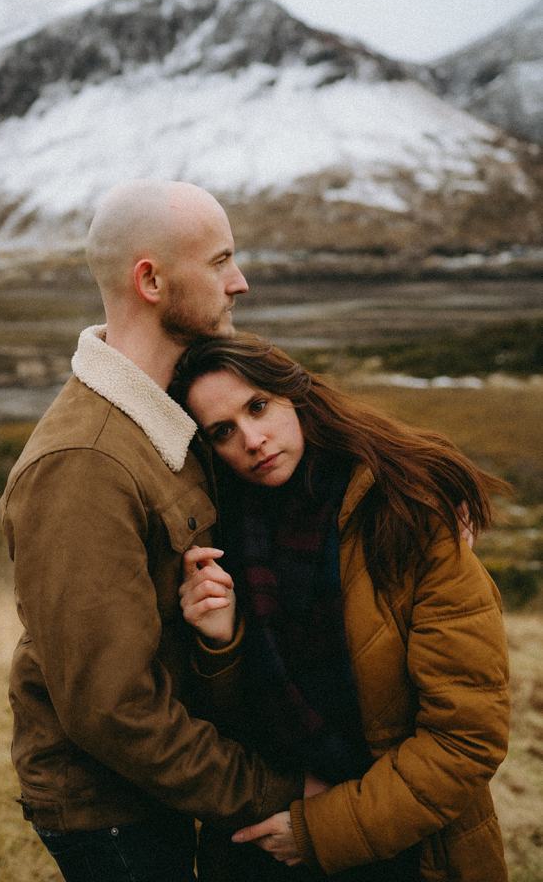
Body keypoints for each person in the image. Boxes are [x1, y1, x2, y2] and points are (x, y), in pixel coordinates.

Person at [0, 181, 305, 882]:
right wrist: (272, 795)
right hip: (110, 810)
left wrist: (414, 501)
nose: (240, 282)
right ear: (152, 280)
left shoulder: (169, 411)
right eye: (221, 260)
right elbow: (112, 708)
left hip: (163, 782)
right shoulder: (83, 465)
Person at [172, 333, 510, 882]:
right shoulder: (221, 537)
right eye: (223, 432)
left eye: (258, 407)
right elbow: (231, 721)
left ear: (294, 395)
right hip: (264, 845)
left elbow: (466, 739)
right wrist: (219, 640)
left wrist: (321, 832)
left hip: (409, 850)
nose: (252, 440)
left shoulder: (407, 513)